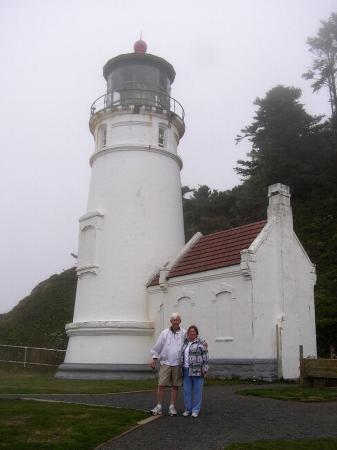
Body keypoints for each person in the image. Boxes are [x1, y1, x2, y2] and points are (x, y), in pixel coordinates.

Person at [149, 312, 185, 416]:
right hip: (165, 362)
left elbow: (191, 341)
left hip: (177, 363)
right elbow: (158, 346)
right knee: (161, 384)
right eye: (173, 320)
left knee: (175, 385)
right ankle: (159, 406)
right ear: (171, 321)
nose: (175, 322)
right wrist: (154, 359)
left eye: (177, 320)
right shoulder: (164, 333)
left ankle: (172, 407)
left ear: (180, 321)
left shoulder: (184, 333)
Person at [181, 325, 208, 418]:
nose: (192, 333)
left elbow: (205, 357)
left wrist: (205, 369)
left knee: (197, 391)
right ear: (188, 333)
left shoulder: (201, 343)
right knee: (186, 391)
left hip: (197, 370)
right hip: (185, 369)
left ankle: (195, 410)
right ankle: (188, 409)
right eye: (190, 331)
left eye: (194, 331)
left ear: (196, 333)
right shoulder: (185, 343)